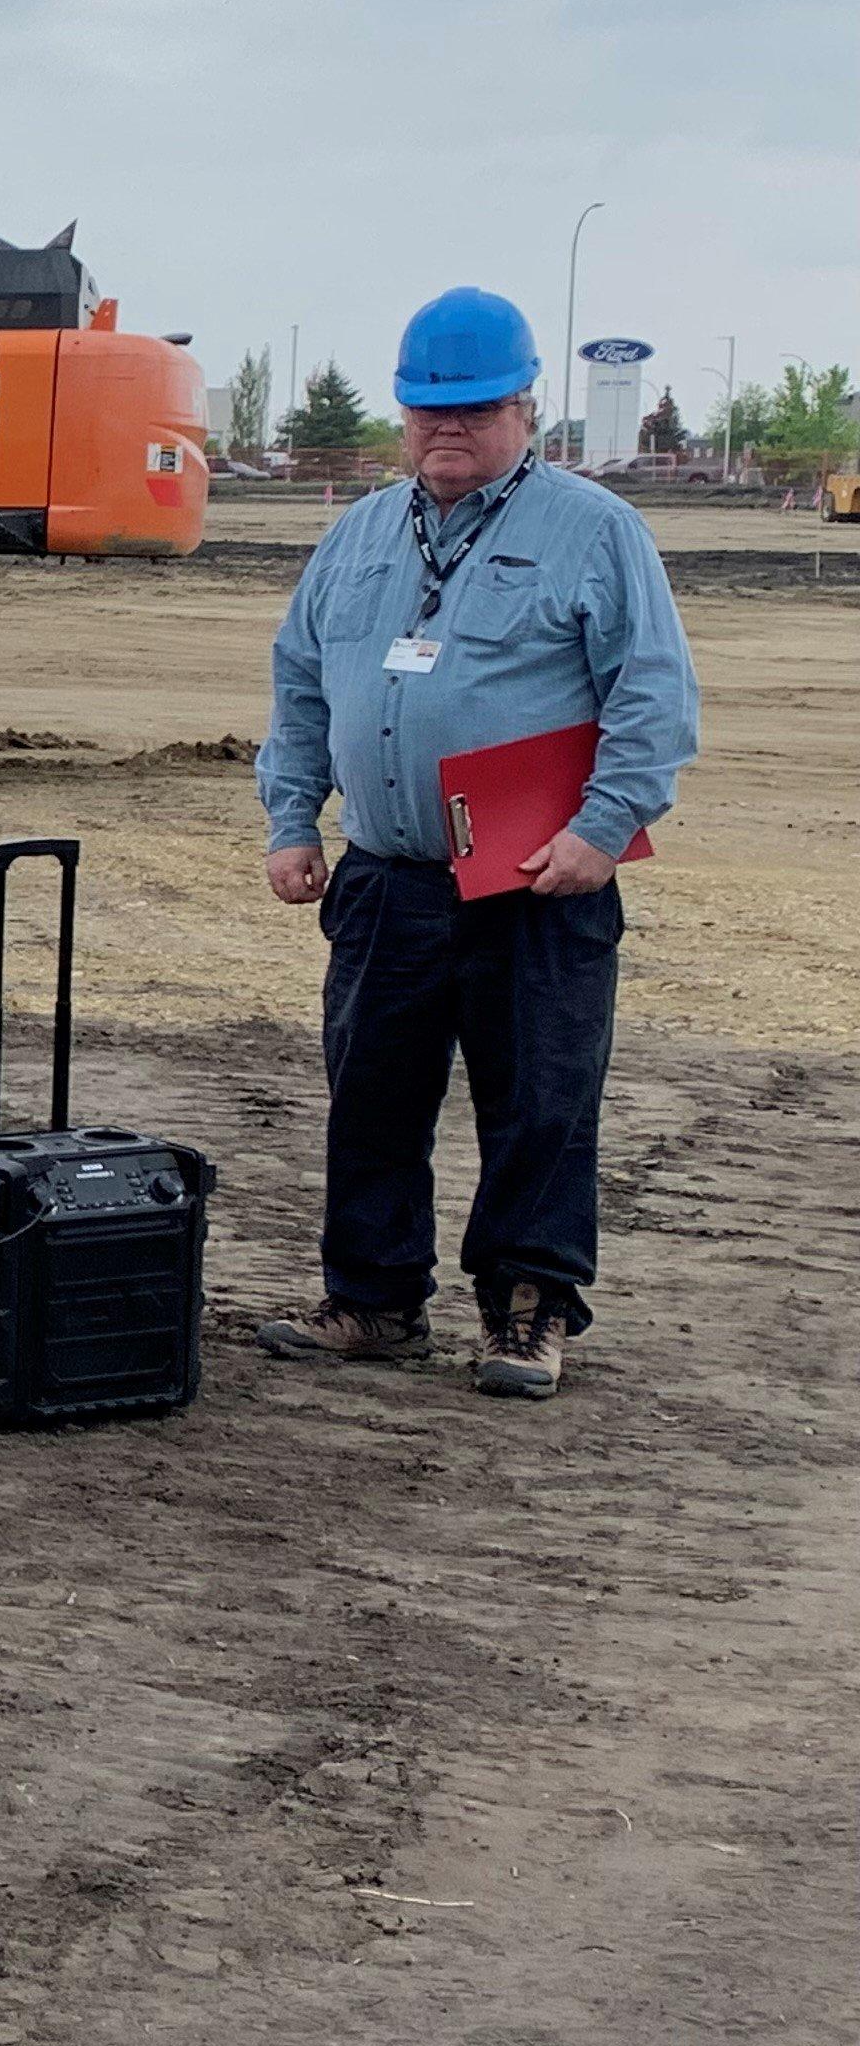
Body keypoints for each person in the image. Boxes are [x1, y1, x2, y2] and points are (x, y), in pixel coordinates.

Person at [253, 287, 697, 1398]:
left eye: (475, 410)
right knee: (372, 1097)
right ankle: (371, 1300)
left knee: (540, 1100)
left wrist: (604, 828)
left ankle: (526, 1310)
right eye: (426, 412)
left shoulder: (596, 531)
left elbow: (653, 697)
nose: (447, 431)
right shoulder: (359, 534)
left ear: (527, 408)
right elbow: (301, 682)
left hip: (535, 884)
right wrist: (290, 821)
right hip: (387, 880)